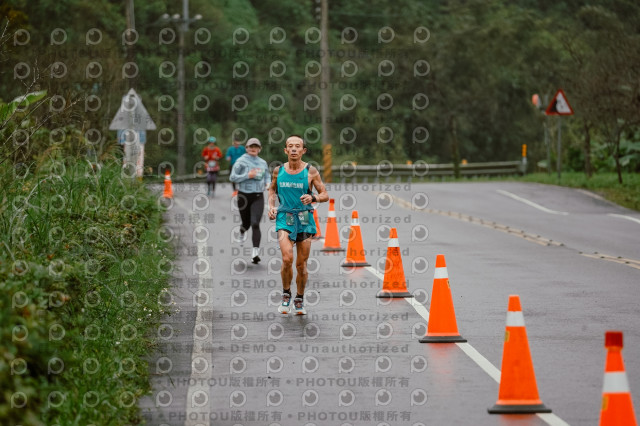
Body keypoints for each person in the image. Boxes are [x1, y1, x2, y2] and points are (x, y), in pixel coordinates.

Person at [267, 135, 328, 315]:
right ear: (285, 150)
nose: (294, 149)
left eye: (297, 146)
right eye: (290, 146)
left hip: (304, 218)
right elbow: (272, 189)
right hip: (284, 217)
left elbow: (325, 194)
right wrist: (271, 206)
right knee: (287, 259)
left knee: (301, 265)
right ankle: (286, 295)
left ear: (303, 151)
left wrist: (313, 197)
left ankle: (299, 298)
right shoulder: (278, 171)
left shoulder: (311, 171)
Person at [229, 138, 271, 264]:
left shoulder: (262, 162)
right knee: (246, 224)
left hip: (258, 196)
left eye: (256, 147)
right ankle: (242, 231)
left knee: (255, 223)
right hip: (243, 197)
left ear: (259, 149)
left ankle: (255, 253)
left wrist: (268, 183)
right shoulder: (240, 161)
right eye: (251, 146)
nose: (253, 149)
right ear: (246, 148)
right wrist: (248, 175)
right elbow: (232, 177)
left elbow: (267, 175)